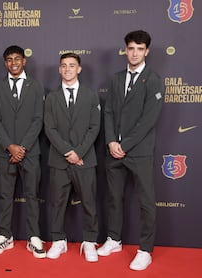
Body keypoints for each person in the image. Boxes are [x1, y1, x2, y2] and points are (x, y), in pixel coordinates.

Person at [98, 30, 164, 271]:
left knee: (146, 202)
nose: (134, 53)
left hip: (139, 152)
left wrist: (124, 145)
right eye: (131, 48)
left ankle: (145, 250)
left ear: (146, 51)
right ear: (125, 50)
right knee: (114, 198)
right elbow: (109, 112)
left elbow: (149, 120)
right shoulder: (116, 79)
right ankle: (114, 240)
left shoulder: (153, 79)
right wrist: (111, 142)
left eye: (139, 48)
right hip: (114, 151)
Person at [0, 45, 46, 258]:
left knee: (32, 195)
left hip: (29, 152)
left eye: (17, 59)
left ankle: (33, 236)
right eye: (10, 59)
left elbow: (38, 119)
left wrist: (22, 147)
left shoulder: (37, 86)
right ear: (5, 63)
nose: (14, 63)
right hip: (5, 152)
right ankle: (5, 235)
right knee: (5, 195)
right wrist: (10, 146)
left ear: (24, 61)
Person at [44, 53, 101, 261]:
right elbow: (49, 128)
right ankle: (58, 241)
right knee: (57, 203)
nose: (68, 69)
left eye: (72, 65)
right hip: (59, 160)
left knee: (89, 202)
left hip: (85, 159)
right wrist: (69, 152)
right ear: (59, 70)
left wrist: (79, 152)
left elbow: (94, 127)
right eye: (64, 66)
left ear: (79, 69)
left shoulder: (91, 95)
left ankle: (90, 241)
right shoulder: (51, 97)